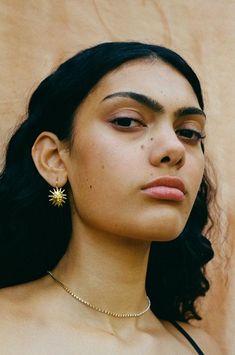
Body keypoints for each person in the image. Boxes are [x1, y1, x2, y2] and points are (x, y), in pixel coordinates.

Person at [0, 42, 221, 354]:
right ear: (54, 159)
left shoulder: (204, 349)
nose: (174, 149)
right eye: (127, 121)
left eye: (189, 132)